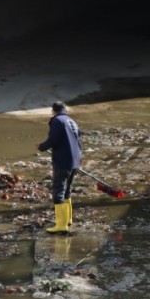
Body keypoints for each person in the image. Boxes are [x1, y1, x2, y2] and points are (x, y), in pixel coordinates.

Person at [37, 100, 82, 235]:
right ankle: (68, 220)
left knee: (58, 191)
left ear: (53, 111)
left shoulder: (57, 121)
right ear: (65, 110)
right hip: (74, 160)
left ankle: (61, 225)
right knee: (67, 190)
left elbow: (53, 140)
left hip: (63, 161)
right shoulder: (71, 121)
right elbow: (77, 138)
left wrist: (41, 146)